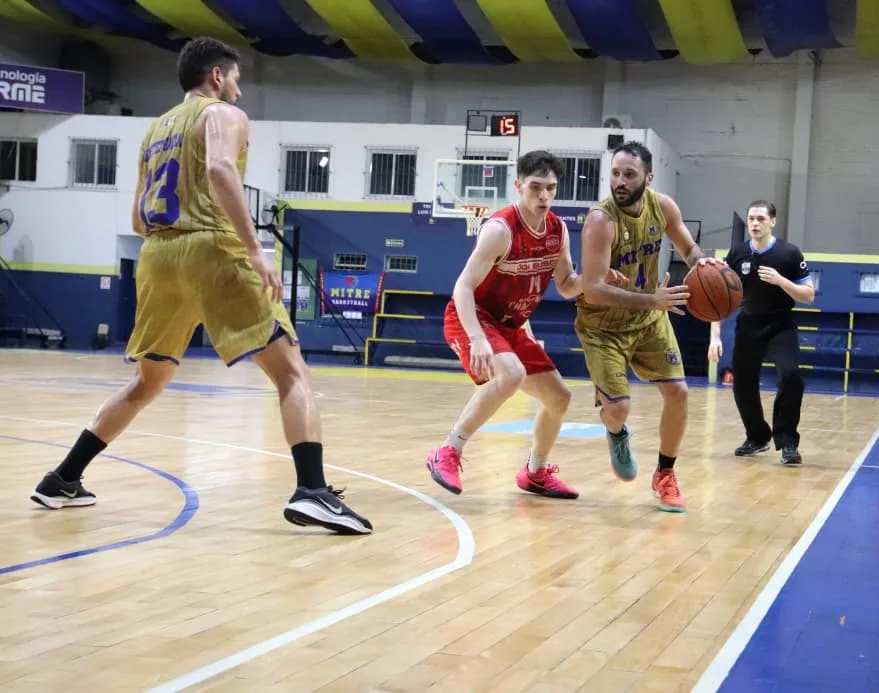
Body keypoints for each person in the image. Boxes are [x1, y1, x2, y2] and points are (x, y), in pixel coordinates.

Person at [28, 37, 373, 535]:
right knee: (291, 371)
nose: (237, 88)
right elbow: (217, 167)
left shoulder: (156, 130)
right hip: (211, 248)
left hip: (157, 254)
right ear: (216, 76)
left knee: (147, 382)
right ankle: (312, 490)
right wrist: (255, 250)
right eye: (235, 78)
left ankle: (62, 477)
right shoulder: (222, 115)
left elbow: (137, 213)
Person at [425, 150, 625, 499]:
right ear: (519, 186)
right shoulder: (500, 230)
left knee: (559, 398)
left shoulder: (558, 230)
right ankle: (448, 450)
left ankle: (535, 473)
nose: (544, 196)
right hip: (471, 316)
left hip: (510, 326)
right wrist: (478, 338)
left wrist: (595, 277)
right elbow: (462, 286)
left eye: (551, 188)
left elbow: (566, 286)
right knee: (511, 374)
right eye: (536, 187)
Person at [576, 141, 715, 513]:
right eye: (616, 173)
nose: (619, 181)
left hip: (649, 318)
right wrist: (653, 299)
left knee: (680, 393)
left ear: (648, 178)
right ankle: (616, 431)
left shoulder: (663, 206)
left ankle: (665, 475)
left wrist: (705, 266)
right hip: (602, 325)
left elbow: (688, 248)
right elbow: (593, 290)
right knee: (619, 409)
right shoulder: (600, 221)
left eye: (629, 174)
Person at [707, 200, 816, 465]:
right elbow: (719, 298)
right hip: (749, 323)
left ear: (772, 222)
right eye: (751, 219)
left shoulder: (789, 254)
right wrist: (715, 336)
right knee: (742, 383)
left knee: (791, 377)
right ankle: (757, 437)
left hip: (780, 325)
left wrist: (781, 280)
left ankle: (788, 441)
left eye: (760, 219)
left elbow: (809, 295)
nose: (755, 224)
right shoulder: (737, 253)